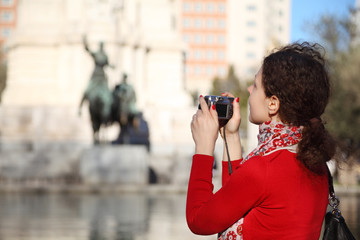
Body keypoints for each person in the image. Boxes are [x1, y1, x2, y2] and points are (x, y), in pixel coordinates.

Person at [187, 42, 336, 239]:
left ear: (273, 103)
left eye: (256, 85)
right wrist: (231, 136)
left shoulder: (264, 167)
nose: (249, 89)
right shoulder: (314, 161)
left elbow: (199, 220)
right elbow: (236, 202)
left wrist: (204, 146)